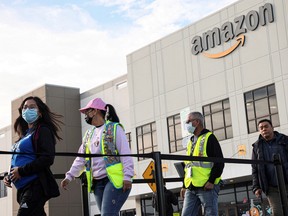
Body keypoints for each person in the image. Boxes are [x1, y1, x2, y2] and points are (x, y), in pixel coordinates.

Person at [61, 97, 134, 216]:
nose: (85, 115)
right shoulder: (89, 134)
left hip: (115, 181)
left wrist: (127, 176)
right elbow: (81, 158)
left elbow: (125, 152)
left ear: (95, 111)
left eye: (87, 112)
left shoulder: (114, 128)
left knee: (107, 214)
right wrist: (69, 176)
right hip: (97, 183)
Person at [3, 96, 62, 216]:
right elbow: (18, 160)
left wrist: (21, 171)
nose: (27, 109)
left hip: (35, 185)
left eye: (32, 107)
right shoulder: (24, 135)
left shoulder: (43, 130)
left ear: (40, 112)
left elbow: (47, 158)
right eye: (25, 107)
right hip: (22, 189)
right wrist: (8, 175)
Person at [180, 111, 224, 216]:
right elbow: (188, 166)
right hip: (191, 186)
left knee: (210, 214)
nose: (186, 125)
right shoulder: (191, 141)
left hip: (206, 185)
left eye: (188, 122)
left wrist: (211, 181)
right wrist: (184, 185)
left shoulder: (209, 137)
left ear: (197, 122)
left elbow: (219, 162)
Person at [252, 119, 288, 216]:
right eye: (261, 128)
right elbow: (255, 168)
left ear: (272, 128)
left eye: (266, 126)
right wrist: (256, 187)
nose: (264, 129)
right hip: (271, 188)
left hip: (287, 182)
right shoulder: (257, 147)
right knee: (277, 213)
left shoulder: (285, 140)